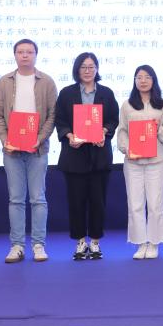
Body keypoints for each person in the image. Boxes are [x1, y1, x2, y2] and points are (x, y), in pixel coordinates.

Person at [0, 38, 57, 263]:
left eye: (29, 52)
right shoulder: (4, 82)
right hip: (12, 150)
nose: (25, 55)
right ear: (15, 55)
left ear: (36, 55)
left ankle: (38, 245)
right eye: (21, 52)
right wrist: (5, 139)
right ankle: (17, 245)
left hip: (38, 150)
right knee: (16, 199)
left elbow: (52, 115)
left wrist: (39, 138)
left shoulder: (46, 81)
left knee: (38, 198)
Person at [54, 52, 119, 260]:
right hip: (74, 155)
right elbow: (60, 120)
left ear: (97, 69)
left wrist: (104, 131)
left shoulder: (106, 93)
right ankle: (81, 242)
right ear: (77, 69)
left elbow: (113, 119)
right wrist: (69, 135)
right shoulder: (67, 93)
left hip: (99, 155)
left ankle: (95, 242)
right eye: (83, 67)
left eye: (91, 66)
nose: (88, 71)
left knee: (98, 202)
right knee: (76, 202)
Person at [117, 64, 163, 259]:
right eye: (139, 77)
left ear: (153, 80)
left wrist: (159, 130)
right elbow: (122, 130)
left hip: (156, 161)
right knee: (135, 204)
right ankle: (140, 243)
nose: (143, 81)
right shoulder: (127, 105)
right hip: (133, 162)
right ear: (134, 81)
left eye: (147, 77)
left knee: (155, 204)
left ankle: (154, 243)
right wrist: (127, 149)